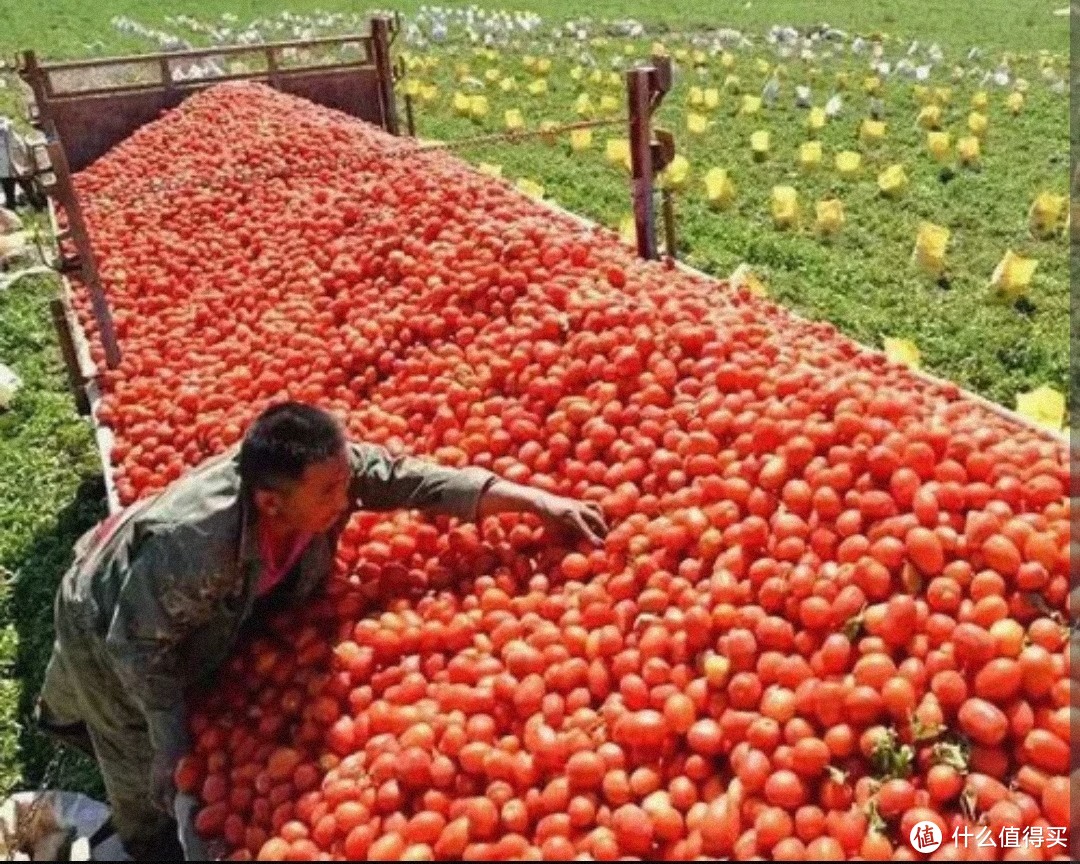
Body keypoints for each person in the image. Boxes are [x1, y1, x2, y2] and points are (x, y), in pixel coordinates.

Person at [35, 402, 608, 860]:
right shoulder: (198, 542)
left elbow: (407, 479)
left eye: (345, 480)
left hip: (176, 603)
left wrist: (529, 500)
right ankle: (147, 845)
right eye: (332, 492)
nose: (348, 497)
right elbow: (136, 647)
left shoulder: (317, 473)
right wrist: (172, 750)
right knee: (143, 763)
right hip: (106, 621)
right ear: (270, 503)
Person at [0, 117, 37, 211]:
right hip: (5, 170)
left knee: (28, 190)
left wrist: (24, 165)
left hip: (17, 167)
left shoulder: (7, 129)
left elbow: (18, 148)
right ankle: (13, 216)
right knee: (10, 195)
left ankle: (37, 207)